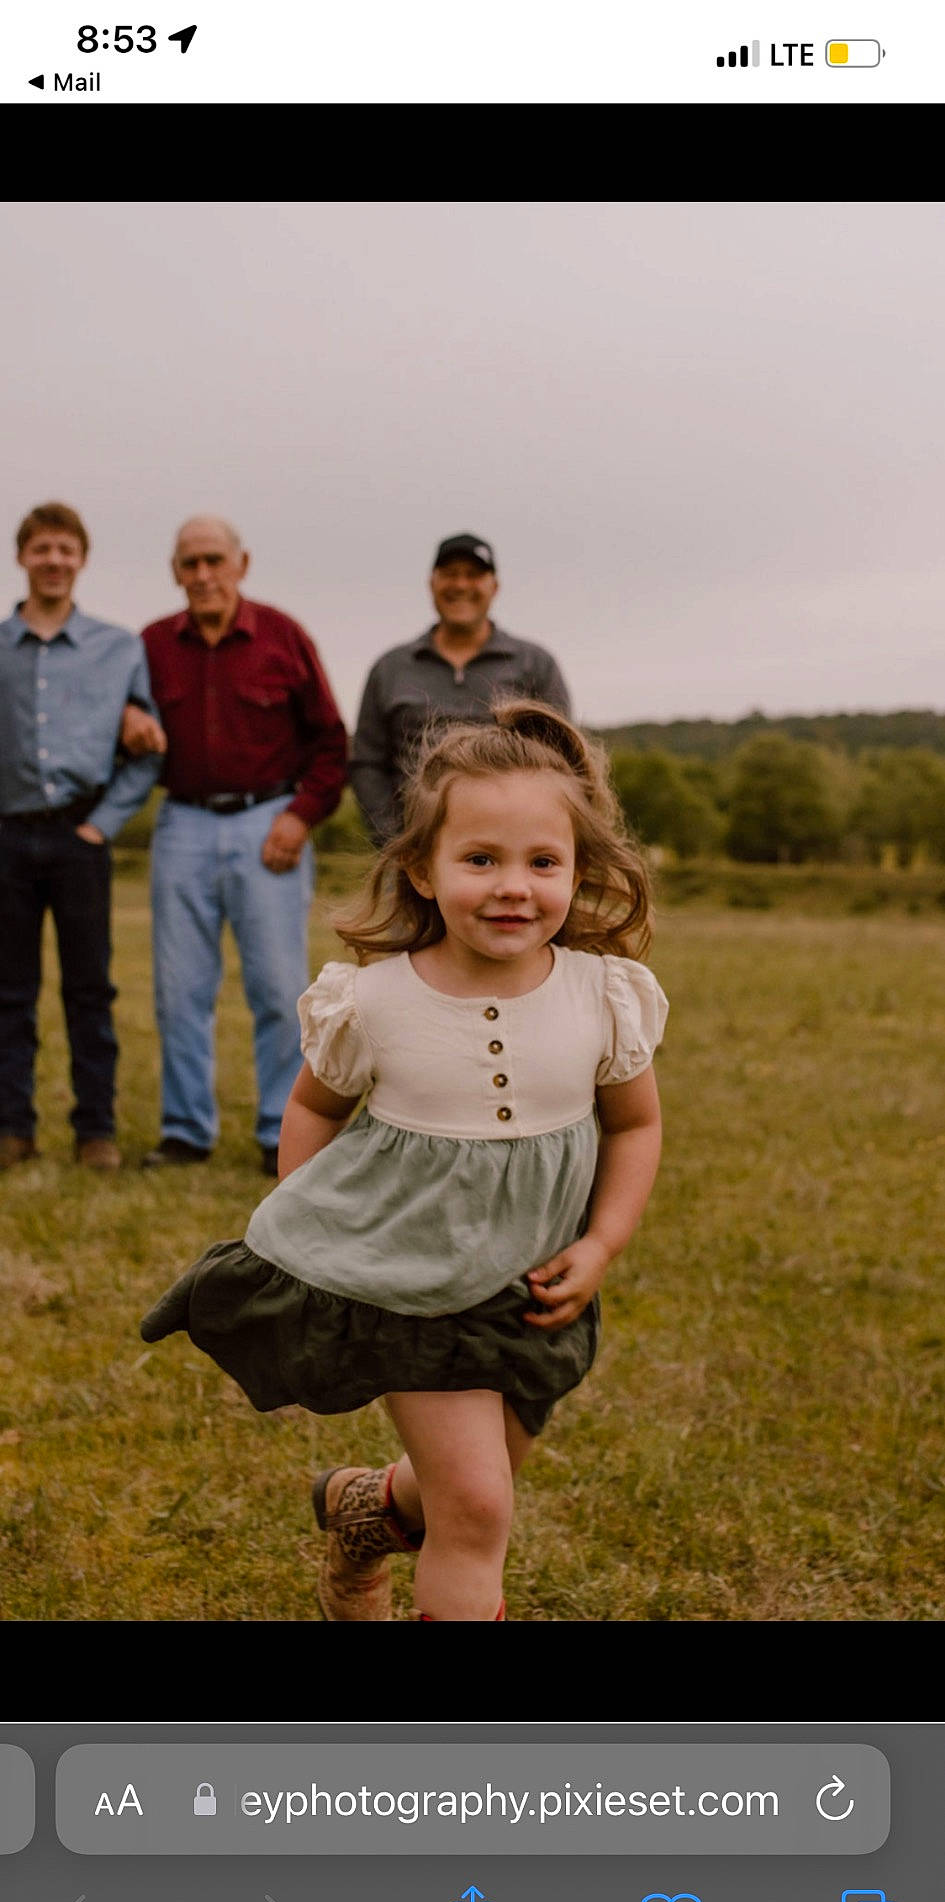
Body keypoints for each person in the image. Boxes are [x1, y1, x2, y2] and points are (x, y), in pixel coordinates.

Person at [141, 699, 668, 1622]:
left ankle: (368, 1512)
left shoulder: (603, 997)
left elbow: (633, 1128)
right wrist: (325, 1239)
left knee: (468, 1484)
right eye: (480, 859)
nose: (514, 886)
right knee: (477, 1508)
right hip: (405, 1288)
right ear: (424, 870)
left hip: (531, 1294)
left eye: (543, 861)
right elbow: (311, 1107)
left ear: (578, 868)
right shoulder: (374, 1002)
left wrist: (602, 1245)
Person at [131, 516, 347, 1175]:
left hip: (268, 823)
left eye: (213, 560)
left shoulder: (283, 636)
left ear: (241, 563)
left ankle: (277, 1136)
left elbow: (332, 744)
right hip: (182, 824)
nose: (202, 575)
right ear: (174, 572)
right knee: (179, 989)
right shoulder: (149, 645)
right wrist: (124, 713)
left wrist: (300, 815)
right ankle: (185, 1131)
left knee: (278, 989)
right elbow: (116, 715)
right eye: (189, 563)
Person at [0, 502, 162, 1171]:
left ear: (82, 560)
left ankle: (96, 1129)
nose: (54, 561)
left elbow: (150, 749)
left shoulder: (118, 648)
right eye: (42, 549)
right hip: (7, 839)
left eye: (66, 549)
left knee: (89, 989)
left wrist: (105, 823)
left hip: (80, 836)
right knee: (9, 991)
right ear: (23, 558)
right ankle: (13, 1127)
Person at [349, 532, 572, 843]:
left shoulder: (535, 664)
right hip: (413, 843)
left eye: (473, 575)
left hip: (512, 842)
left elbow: (562, 758)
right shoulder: (390, 668)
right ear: (432, 583)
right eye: (450, 574)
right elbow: (367, 763)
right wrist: (394, 838)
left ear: (494, 586)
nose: (461, 585)